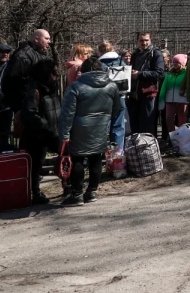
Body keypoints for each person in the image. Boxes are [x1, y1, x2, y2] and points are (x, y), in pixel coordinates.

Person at [58, 54, 125, 206]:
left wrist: (65, 134)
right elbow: (117, 108)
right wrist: (105, 118)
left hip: (79, 128)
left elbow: (67, 114)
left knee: (78, 159)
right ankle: (92, 191)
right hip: (101, 127)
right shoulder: (112, 86)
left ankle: (77, 194)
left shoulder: (76, 87)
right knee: (96, 159)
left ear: (84, 70)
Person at [18, 59, 60, 204]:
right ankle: (35, 193)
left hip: (53, 131)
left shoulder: (52, 88)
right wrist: (46, 126)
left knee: (66, 155)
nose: (57, 75)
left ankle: (69, 186)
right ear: (45, 73)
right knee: (36, 165)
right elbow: (30, 114)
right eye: (54, 72)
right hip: (37, 134)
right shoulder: (33, 90)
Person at [2, 29, 52, 116]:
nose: (49, 42)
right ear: (36, 39)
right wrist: (23, 104)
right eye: (46, 39)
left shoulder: (39, 53)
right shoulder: (23, 55)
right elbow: (12, 81)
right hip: (26, 105)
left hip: (38, 102)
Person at [129, 32, 165, 136]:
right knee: (135, 124)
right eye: (141, 40)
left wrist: (140, 74)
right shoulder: (136, 54)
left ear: (150, 40)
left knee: (147, 124)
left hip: (148, 94)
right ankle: (136, 147)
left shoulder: (156, 53)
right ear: (137, 41)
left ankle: (148, 148)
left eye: (146, 40)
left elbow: (159, 73)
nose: (144, 43)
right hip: (134, 94)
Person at [159, 54, 189, 140]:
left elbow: (189, 86)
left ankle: (181, 137)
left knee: (182, 119)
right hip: (170, 101)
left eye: (177, 62)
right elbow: (164, 87)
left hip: (183, 100)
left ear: (183, 63)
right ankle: (172, 137)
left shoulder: (186, 74)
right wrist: (161, 100)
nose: (175, 64)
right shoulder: (169, 74)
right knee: (168, 118)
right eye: (174, 62)